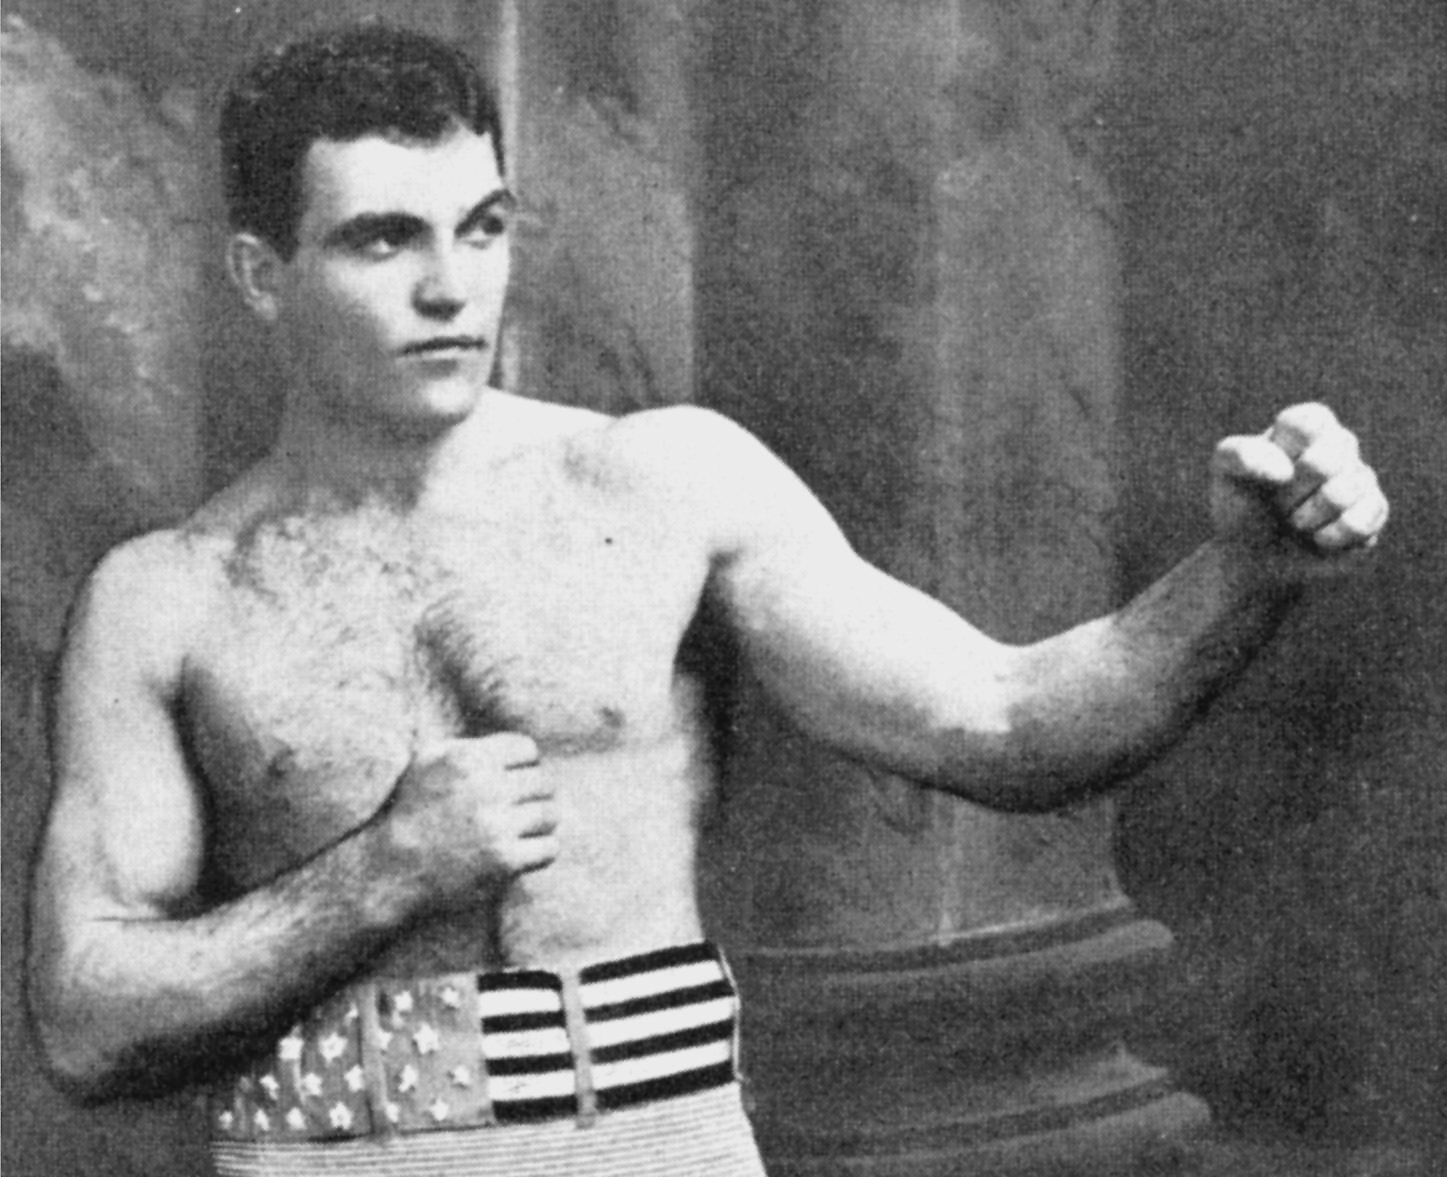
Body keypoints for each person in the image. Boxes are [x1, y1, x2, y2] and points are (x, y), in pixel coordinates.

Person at [25, 20, 1389, 1177]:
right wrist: (378, 876)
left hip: (653, 1147)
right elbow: (85, 1020)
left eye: (482, 228)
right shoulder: (163, 600)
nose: (452, 287)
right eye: (383, 241)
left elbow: (1010, 721)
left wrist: (1246, 573)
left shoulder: (664, 483)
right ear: (262, 276)